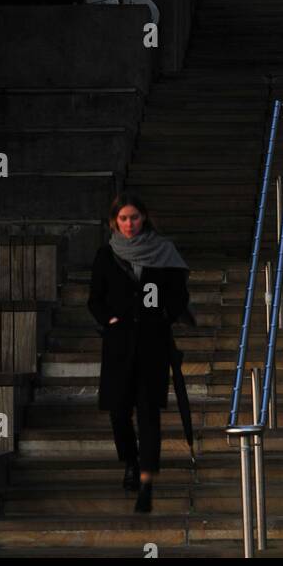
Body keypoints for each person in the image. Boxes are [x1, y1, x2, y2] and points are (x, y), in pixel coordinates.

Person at [87, 194, 191, 513]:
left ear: (143, 217)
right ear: (114, 222)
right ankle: (131, 462)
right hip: (118, 345)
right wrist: (110, 319)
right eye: (123, 219)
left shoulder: (163, 251)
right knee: (119, 412)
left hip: (152, 345)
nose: (129, 224)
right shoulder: (106, 255)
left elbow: (178, 296)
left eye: (134, 218)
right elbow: (95, 298)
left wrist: (160, 318)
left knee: (148, 413)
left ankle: (146, 482)